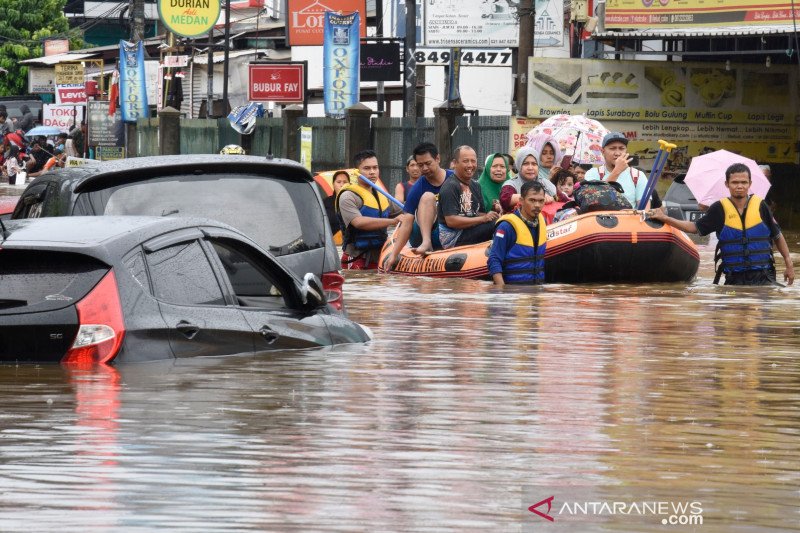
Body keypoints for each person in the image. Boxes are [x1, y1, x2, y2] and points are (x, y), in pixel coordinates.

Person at [649, 163, 794, 286]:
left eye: (744, 182)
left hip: (764, 276)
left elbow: (777, 236)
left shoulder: (761, 206)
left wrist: (789, 264)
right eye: (735, 182)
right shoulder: (718, 209)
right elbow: (694, 228)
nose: (739, 186)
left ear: (750, 184)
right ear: (727, 184)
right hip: (734, 279)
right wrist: (665, 218)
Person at [383, 142, 454, 269]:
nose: (424, 169)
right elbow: (407, 222)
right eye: (420, 165)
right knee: (427, 196)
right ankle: (427, 243)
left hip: (449, 230)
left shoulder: (454, 179)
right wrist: (394, 254)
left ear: (437, 159)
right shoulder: (418, 187)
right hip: (422, 234)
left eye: (428, 163)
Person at [335, 150, 402, 270]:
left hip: (380, 257)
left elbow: (406, 212)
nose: (372, 172)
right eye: (367, 168)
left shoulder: (382, 195)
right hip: (356, 257)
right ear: (356, 172)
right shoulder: (348, 196)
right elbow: (359, 222)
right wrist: (393, 221)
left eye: (375, 168)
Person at [437, 146, 499, 249]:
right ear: (455, 163)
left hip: (470, 229)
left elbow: (478, 212)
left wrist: (493, 212)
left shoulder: (476, 185)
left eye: (473, 161)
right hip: (453, 238)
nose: (470, 165)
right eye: (465, 161)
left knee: (501, 221)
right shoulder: (450, 186)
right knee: (494, 225)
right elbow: (451, 221)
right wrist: (484, 219)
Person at [488, 180, 547, 286]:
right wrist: (502, 291)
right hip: (513, 293)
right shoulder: (506, 227)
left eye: (541, 201)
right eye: (532, 200)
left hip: (536, 291)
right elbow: (494, 259)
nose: (537, 205)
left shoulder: (542, 222)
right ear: (521, 201)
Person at [584, 132, 648, 208]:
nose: (617, 153)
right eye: (612, 148)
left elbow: (644, 211)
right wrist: (617, 171)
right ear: (603, 152)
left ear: (626, 151)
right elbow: (593, 202)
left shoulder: (638, 175)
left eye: (621, 148)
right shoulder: (593, 173)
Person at [499, 147, 554, 213]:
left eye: (534, 164)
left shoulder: (544, 182)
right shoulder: (511, 184)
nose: (530, 168)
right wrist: (537, 196)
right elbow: (505, 199)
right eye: (525, 164)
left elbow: (559, 197)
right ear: (519, 165)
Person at [323, 170, 351, 235]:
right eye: (338, 182)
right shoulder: (325, 203)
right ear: (333, 184)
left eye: (345, 182)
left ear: (349, 184)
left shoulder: (354, 202)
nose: (342, 185)